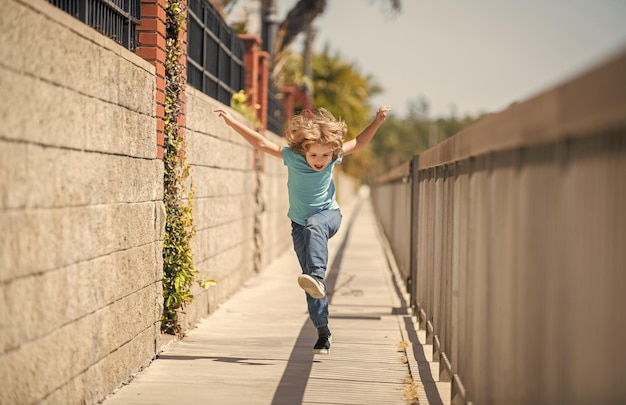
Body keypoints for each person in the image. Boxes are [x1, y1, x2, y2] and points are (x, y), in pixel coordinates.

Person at [214, 105, 390, 354]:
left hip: (328, 217)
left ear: (332, 154)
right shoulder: (293, 156)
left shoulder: (335, 154)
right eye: (314, 156)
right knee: (309, 280)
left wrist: (377, 122)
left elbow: (359, 142)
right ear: (304, 151)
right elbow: (262, 143)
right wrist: (232, 123)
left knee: (315, 230)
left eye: (325, 157)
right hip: (299, 225)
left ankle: (318, 275)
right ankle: (323, 331)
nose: (319, 161)